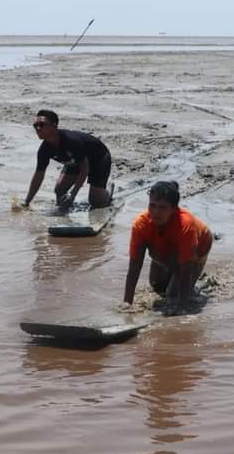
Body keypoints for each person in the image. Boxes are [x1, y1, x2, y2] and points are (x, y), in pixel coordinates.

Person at [123, 181, 213, 315]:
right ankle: (180, 282)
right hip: (164, 249)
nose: (155, 212)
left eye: (162, 207)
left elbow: (186, 267)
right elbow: (135, 266)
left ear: (174, 209)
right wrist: (127, 304)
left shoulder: (186, 226)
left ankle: (199, 286)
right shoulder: (141, 224)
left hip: (198, 247)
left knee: (173, 294)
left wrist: (181, 307)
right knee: (157, 285)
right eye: (152, 205)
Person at [22, 109, 112, 210]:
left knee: (96, 201)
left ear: (54, 125)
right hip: (75, 161)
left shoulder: (71, 141)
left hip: (98, 158)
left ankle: (107, 190)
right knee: (60, 191)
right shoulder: (44, 150)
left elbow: (85, 169)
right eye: (35, 125)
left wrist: (72, 194)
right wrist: (26, 202)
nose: (38, 128)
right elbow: (39, 175)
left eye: (42, 124)